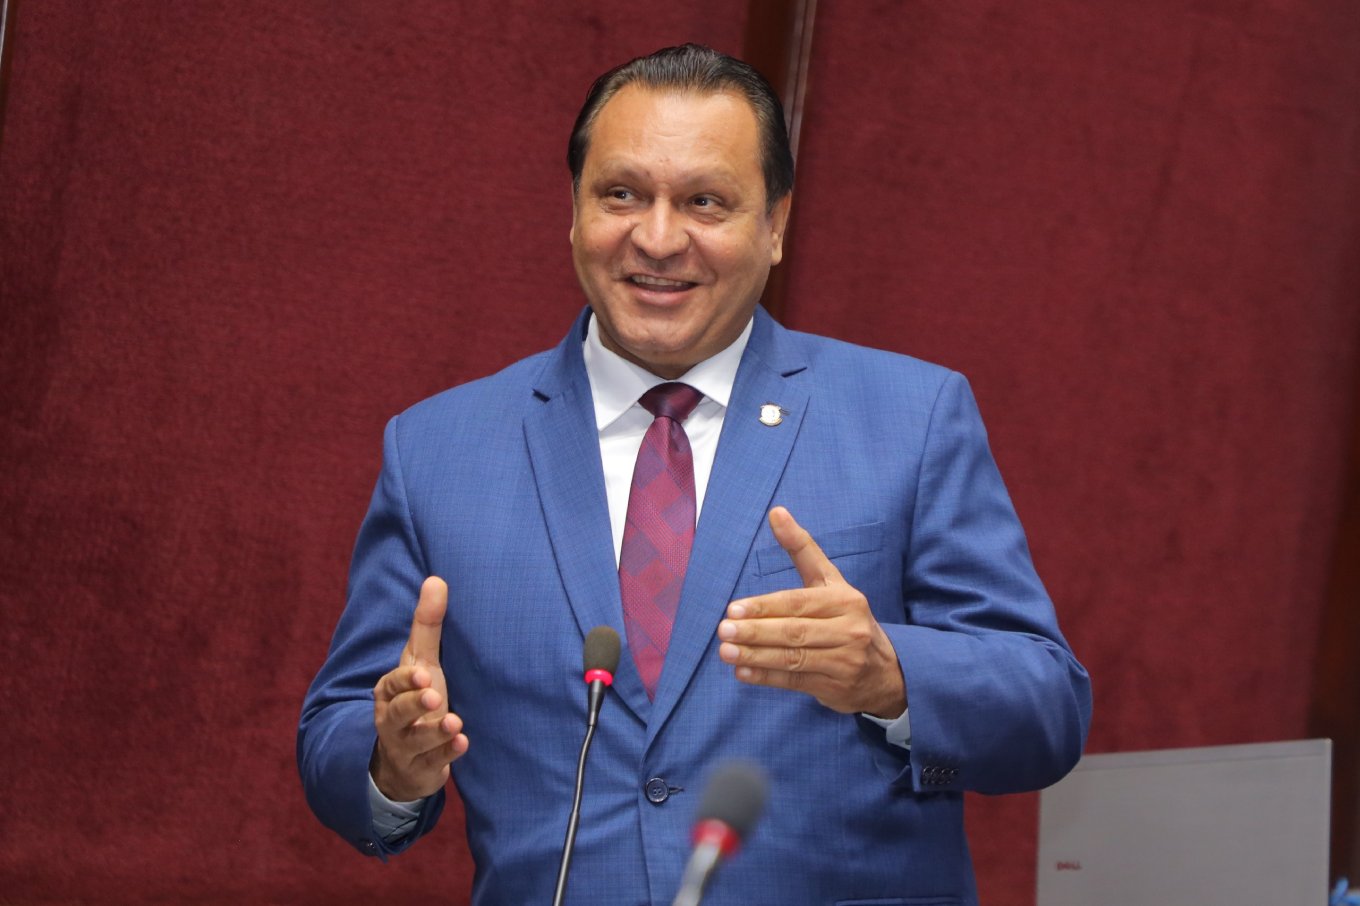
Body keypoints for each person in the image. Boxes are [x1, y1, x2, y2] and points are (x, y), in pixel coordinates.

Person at [298, 43, 1091, 905]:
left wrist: (891, 674)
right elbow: (337, 735)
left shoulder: (911, 417)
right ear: (573, 211)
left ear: (775, 224)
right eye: (621, 194)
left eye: (705, 201)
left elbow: (1047, 710)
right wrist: (391, 762)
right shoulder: (437, 449)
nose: (658, 237)